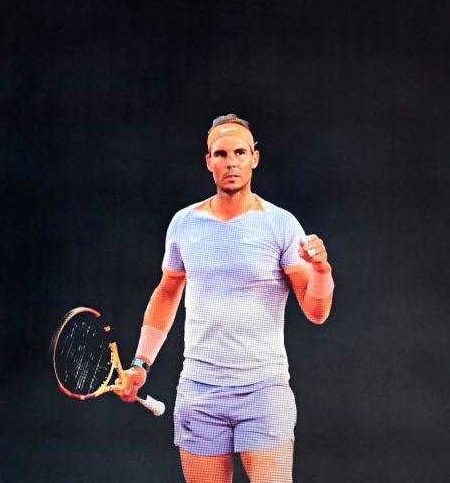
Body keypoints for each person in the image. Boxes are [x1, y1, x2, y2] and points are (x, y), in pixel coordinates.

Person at [115, 114, 335, 483]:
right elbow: (168, 292)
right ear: (209, 162)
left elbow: (316, 312)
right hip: (200, 393)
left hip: (264, 391)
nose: (230, 161)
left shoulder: (280, 224)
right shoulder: (185, 223)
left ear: (254, 158)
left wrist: (323, 272)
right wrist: (141, 364)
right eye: (221, 153)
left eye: (239, 152)